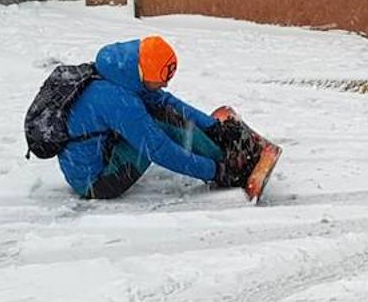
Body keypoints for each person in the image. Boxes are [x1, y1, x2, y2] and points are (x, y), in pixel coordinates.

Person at [58, 36, 257, 199]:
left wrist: (213, 126)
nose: (165, 86)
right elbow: (159, 149)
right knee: (159, 126)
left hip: (100, 152)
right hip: (95, 182)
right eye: (161, 81)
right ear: (146, 73)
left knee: (162, 113)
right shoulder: (118, 101)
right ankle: (225, 161)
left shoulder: (122, 72)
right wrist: (215, 171)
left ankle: (219, 148)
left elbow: (166, 102)